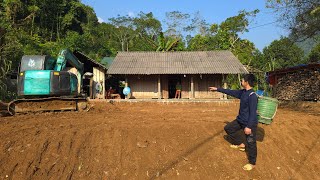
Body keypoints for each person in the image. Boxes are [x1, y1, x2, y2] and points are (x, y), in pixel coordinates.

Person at [209, 74, 258, 171]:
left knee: (251, 142)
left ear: (247, 82)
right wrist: (218, 89)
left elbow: (253, 113)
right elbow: (230, 92)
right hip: (240, 120)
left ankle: (252, 163)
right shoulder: (243, 92)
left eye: (242, 80)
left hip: (249, 123)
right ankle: (242, 144)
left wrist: (248, 127)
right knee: (228, 128)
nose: (241, 81)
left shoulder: (253, 96)